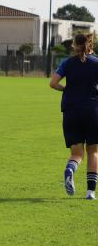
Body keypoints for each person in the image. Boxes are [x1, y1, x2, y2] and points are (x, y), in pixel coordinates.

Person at [50, 33, 98, 200]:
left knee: (77, 154)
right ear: (90, 44)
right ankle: (90, 192)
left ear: (74, 46)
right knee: (93, 152)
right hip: (93, 111)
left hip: (71, 111)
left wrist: (66, 89)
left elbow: (53, 83)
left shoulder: (67, 63)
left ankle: (70, 169)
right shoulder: (96, 63)